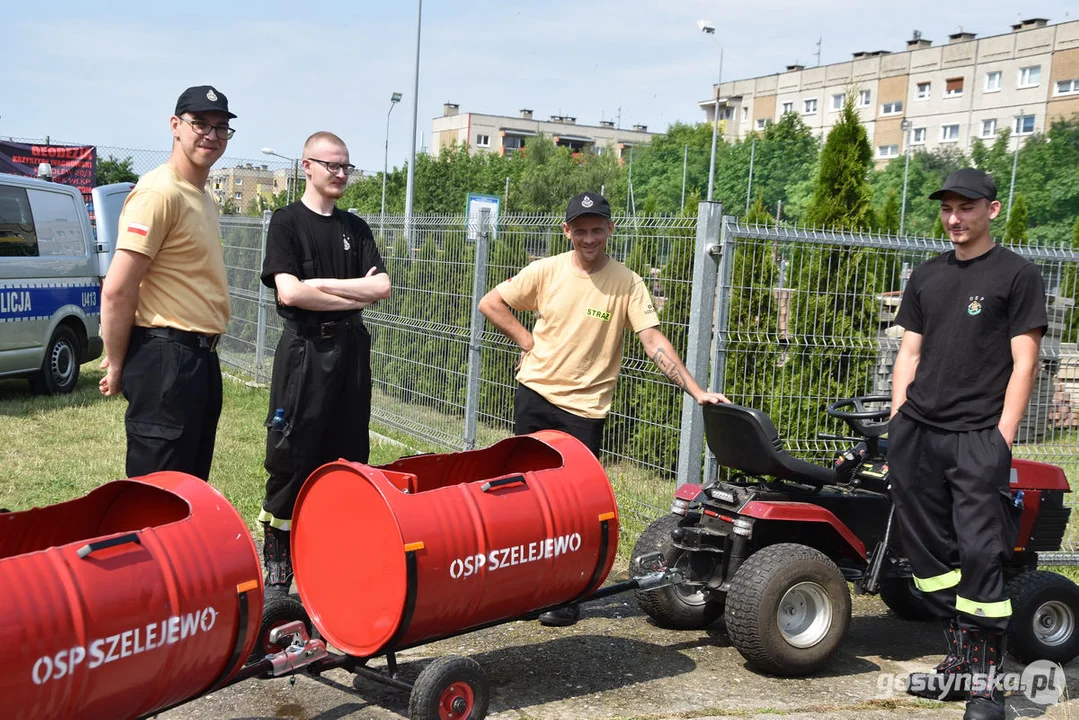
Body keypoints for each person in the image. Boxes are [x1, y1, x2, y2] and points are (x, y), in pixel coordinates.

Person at [479, 191, 729, 626]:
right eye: (581, 230)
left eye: (597, 229)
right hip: (535, 394)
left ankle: (564, 593)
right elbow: (491, 302)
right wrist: (526, 341)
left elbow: (653, 342)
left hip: (585, 409)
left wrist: (697, 390)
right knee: (525, 497)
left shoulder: (627, 282)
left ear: (610, 230)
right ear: (567, 231)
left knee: (572, 505)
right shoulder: (546, 271)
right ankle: (521, 589)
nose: (589, 238)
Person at [890, 169, 1046, 720]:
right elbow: (909, 353)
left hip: (978, 437)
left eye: (967, 208)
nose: (955, 218)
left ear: (992, 210)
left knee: (981, 553)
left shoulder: (1017, 275)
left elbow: (1024, 364)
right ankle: (959, 660)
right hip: (918, 435)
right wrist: (897, 424)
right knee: (933, 558)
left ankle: (987, 685)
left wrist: (1000, 441)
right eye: (947, 209)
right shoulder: (928, 276)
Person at [258, 131, 391, 597]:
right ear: (307, 166)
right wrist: (350, 288)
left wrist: (323, 286)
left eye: (346, 167)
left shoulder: (356, 228)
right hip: (305, 353)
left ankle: (334, 554)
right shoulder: (287, 222)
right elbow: (290, 292)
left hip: (352, 350)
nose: (339, 174)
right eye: (331, 165)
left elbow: (381, 289)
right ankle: (278, 562)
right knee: (293, 452)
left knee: (350, 452)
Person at [99, 85, 236, 481]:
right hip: (166, 358)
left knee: (189, 490)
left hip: (200, 359)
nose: (211, 135)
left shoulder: (202, 196)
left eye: (221, 127)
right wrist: (118, 359)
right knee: (158, 495)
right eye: (200, 124)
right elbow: (119, 289)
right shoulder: (159, 192)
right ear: (175, 126)